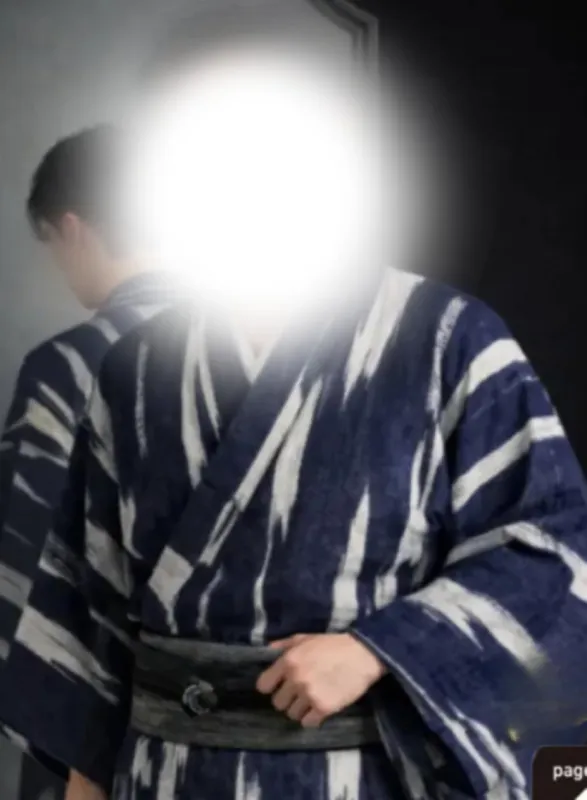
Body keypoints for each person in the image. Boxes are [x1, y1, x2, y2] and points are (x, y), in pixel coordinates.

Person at [3, 22, 587, 800]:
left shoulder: (449, 339)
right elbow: (90, 617)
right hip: (164, 772)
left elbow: (549, 545)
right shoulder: (135, 371)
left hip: (356, 774)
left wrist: (379, 649)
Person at [0, 125, 178, 800]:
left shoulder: (70, 365)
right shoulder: (256, 350)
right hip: (228, 720)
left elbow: (34, 560)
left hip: (94, 730)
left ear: (71, 230)